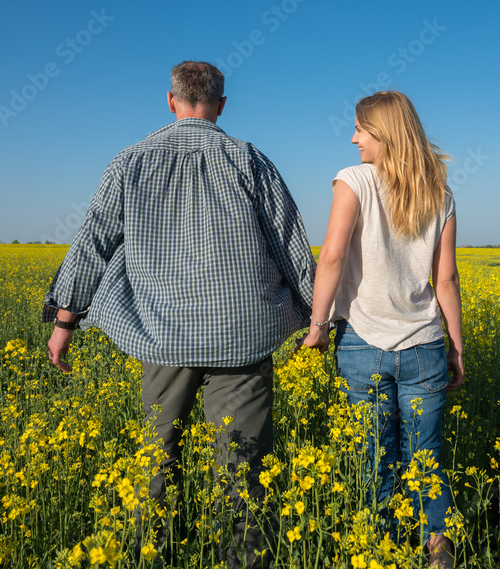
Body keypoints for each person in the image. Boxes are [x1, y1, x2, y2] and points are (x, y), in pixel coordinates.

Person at [44, 60, 315, 568]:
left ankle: (150, 557)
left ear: (171, 101)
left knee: (155, 461)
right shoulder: (249, 159)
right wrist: (320, 320)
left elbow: (92, 244)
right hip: (241, 336)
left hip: (161, 335)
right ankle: (242, 562)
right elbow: (291, 246)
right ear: (221, 105)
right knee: (243, 469)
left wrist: (65, 321)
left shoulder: (130, 161)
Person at [302, 90, 464, 568]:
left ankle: (383, 550)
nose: (353, 139)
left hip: (362, 344)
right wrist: (457, 349)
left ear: (384, 133)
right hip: (425, 345)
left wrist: (317, 326)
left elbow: (331, 256)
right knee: (425, 454)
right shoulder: (441, 194)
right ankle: (437, 547)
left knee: (376, 456)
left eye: (360, 129)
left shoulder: (353, 180)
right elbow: (447, 280)